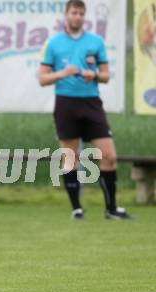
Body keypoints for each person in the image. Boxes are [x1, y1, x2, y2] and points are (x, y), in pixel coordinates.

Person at [38, 0, 130, 220]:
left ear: (84, 16)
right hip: (66, 103)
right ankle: (76, 209)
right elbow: (43, 78)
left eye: (81, 13)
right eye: (74, 12)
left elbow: (106, 75)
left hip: (91, 103)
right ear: (66, 15)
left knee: (109, 155)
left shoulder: (96, 41)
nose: (77, 16)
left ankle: (111, 208)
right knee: (71, 156)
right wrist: (62, 73)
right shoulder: (53, 43)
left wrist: (95, 75)